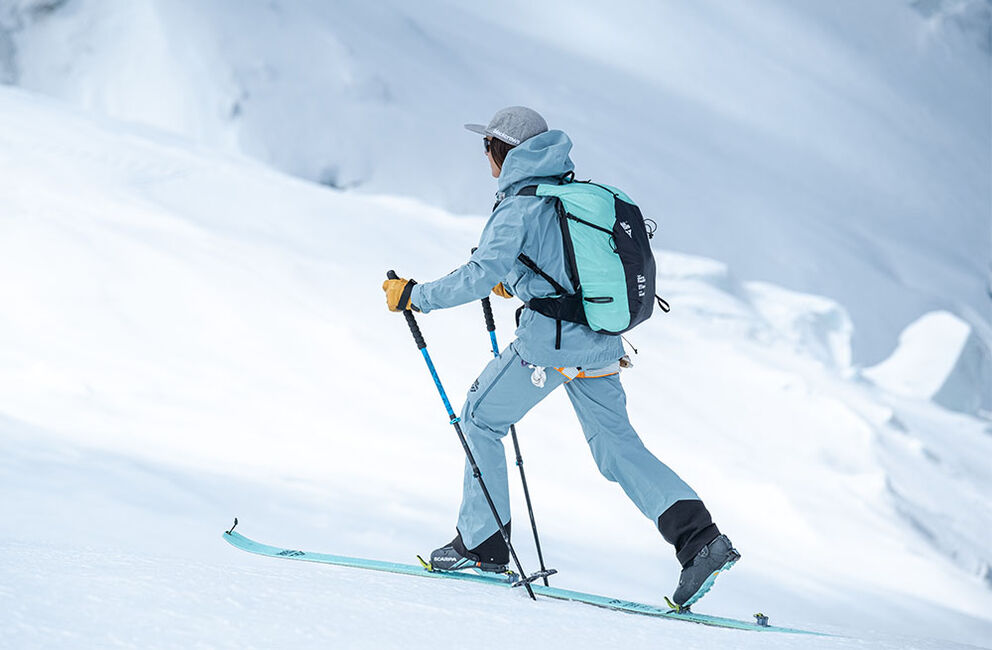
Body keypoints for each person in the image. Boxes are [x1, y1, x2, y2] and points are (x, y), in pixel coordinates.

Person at [382, 106, 739, 608]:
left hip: (548, 346)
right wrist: (520, 283)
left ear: (500, 151)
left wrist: (415, 296)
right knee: (617, 449)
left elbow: (478, 274)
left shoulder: (519, 205)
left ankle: (483, 545)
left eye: (486, 146)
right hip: (599, 342)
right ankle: (700, 540)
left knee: (479, 419)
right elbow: (557, 270)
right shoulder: (567, 195)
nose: (483, 155)